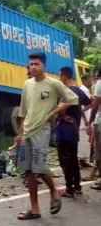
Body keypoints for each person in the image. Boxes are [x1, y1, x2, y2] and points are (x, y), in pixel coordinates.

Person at [16, 52, 78, 220]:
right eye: (31, 64)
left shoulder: (53, 83)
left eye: (36, 64)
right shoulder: (27, 84)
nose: (33, 67)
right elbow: (23, 111)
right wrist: (20, 133)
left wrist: (56, 111)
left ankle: (54, 190)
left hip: (42, 130)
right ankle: (35, 209)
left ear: (44, 65)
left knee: (40, 166)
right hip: (27, 131)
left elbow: (73, 99)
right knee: (28, 171)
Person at [56, 67, 91, 197]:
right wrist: (79, 112)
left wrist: (63, 115)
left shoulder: (65, 91)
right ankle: (77, 186)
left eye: (60, 76)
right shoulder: (79, 91)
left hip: (64, 129)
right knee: (73, 159)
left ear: (64, 76)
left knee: (65, 160)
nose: (60, 79)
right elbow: (90, 103)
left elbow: (60, 109)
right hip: (74, 129)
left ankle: (69, 188)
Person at [87, 69, 101, 190]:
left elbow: (95, 104)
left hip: (100, 122)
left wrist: (90, 122)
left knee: (99, 151)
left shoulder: (100, 84)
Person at [79, 73, 93, 168]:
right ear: (84, 81)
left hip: (87, 120)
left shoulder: (87, 91)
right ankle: (80, 160)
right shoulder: (82, 91)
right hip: (84, 121)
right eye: (89, 80)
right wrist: (85, 119)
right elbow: (81, 108)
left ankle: (84, 160)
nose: (91, 82)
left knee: (86, 142)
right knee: (81, 141)